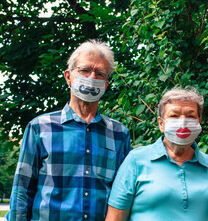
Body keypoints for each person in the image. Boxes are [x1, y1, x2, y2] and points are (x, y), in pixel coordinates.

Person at [6, 40, 131, 220]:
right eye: (85, 70)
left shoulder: (119, 133)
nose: (92, 77)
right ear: (68, 77)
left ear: (106, 85)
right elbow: (21, 191)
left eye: (100, 73)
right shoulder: (39, 127)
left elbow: (123, 194)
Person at [105, 87, 208, 221]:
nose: (183, 122)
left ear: (199, 121)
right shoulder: (136, 160)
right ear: (161, 123)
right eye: (174, 116)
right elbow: (115, 218)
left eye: (190, 116)